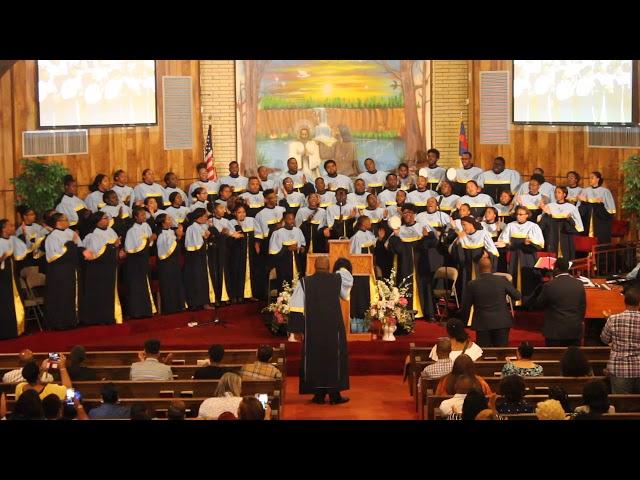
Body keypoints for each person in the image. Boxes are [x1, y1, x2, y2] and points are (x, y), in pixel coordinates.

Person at [288, 256, 353, 405]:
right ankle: (335, 396)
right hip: (333, 328)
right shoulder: (337, 279)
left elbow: (296, 306)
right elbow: (346, 288)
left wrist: (297, 330)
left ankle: (318, 395)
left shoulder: (305, 282)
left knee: (315, 359)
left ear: (314, 267)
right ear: (328, 267)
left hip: (313, 328)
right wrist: (340, 266)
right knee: (333, 359)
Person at [386, 204, 437, 320]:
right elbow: (395, 249)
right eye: (404, 213)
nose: (407, 215)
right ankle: (406, 312)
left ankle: (427, 313)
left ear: (414, 214)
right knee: (405, 286)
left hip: (421, 264)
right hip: (405, 264)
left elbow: (432, 243)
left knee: (424, 285)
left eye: (410, 212)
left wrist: (426, 237)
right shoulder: (399, 230)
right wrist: (396, 236)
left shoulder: (422, 226)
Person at [461, 257, 522, 346]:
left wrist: (463, 324)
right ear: (491, 268)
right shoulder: (502, 280)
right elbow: (517, 296)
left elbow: (466, 307)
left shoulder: (472, 285)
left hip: (482, 324)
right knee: (501, 353)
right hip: (502, 322)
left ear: (478, 268)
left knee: (485, 353)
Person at [44, 212, 89, 330]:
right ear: (58, 222)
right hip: (60, 271)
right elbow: (54, 256)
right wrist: (71, 244)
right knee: (63, 295)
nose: (68, 222)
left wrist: (83, 251)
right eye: (65, 220)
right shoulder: (52, 237)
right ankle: (62, 322)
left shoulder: (71, 232)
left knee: (74, 293)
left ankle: (75, 318)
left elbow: (79, 247)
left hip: (73, 268)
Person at [496, 206, 545, 305]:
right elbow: (504, 239)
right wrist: (504, 243)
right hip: (514, 255)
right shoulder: (510, 225)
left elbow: (540, 243)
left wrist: (530, 242)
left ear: (527, 215)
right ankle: (514, 302)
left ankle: (528, 303)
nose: (518, 216)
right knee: (513, 275)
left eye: (521, 214)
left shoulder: (533, 226)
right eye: (517, 214)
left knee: (528, 277)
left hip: (528, 256)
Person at [80, 211, 123, 326]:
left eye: (107, 218)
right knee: (102, 293)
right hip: (99, 270)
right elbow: (97, 254)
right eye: (104, 218)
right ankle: (102, 317)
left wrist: (119, 252)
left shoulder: (111, 231)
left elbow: (115, 248)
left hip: (110, 266)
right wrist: (113, 246)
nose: (107, 220)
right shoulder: (94, 235)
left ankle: (112, 315)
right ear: (97, 221)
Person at [537, 257, 586, 346]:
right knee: (572, 359)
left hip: (555, 332)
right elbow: (582, 307)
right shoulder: (579, 284)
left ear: (556, 269)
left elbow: (539, 303)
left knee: (555, 358)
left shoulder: (549, 285)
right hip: (574, 330)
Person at [600, 284, 640, 393]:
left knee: (621, 405)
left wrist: (607, 320)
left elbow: (604, 339)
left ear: (625, 302)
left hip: (619, 369)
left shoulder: (613, 319)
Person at [123, 206, 157, 318]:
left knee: (146, 283)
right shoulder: (132, 230)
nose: (144, 216)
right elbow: (132, 248)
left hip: (144, 259)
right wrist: (149, 240)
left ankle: (147, 310)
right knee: (137, 286)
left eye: (145, 214)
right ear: (136, 217)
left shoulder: (146, 225)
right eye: (141, 215)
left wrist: (149, 241)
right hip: (135, 262)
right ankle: (136, 312)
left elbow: (149, 243)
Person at [254, 189, 286, 300]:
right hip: (268, 245)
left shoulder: (282, 210)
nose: (274, 199)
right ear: (266, 199)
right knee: (269, 271)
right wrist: (274, 228)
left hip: (283, 244)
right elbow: (259, 234)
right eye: (271, 197)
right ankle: (268, 297)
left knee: (283, 270)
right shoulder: (260, 215)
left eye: (275, 197)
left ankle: (284, 294)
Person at [183, 208, 215, 310]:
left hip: (202, 257)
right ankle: (197, 302)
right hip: (195, 259)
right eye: (205, 216)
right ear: (200, 217)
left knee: (203, 279)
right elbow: (195, 245)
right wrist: (205, 237)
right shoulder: (192, 228)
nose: (207, 218)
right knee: (197, 280)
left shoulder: (200, 226)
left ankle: (204, 301)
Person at [539, 186, 584, 260]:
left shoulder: (571, 207)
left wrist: (569, 219)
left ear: (564, 194)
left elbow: (577, 225)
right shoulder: (550, 206)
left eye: (559, 192)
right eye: (555, 192)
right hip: (552, 235)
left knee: (566, 255)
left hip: (566, 236)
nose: (556, 194)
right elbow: (542, 224)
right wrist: (547, 214)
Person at [155, 214, 186, 314]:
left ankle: (179, 305)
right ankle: (170, 308)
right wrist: (178, 237)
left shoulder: (171, 232)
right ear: (163, 223)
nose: (171, 219)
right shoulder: (161, 235)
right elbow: (167, 250)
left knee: (176, 283)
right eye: (168, 219)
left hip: (174, 263)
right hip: (166, 264)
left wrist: (178, 237)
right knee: (168, 285)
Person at [0, 219, 26, 339]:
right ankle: (6, 331)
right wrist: (2, 258)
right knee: (5, 303)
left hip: (11, 275)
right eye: (10, 225)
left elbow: (22, 250)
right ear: (3, 229)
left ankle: (17, 328)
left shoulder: (13, 239)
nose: (13, 227)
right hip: (3, 278)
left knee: (16, 299)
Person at [228, 204, 259, 303]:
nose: (242, 214)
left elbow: (258, 234)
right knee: (238, 272)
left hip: (250, 252)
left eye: (244, 212)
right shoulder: (231, 223)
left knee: (251, 272)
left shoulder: (251, 220)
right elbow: (230, 238)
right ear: (235, 213)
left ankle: (249, 294)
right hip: (237, 252)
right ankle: (238, 295)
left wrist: (257, 244)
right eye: (239, 212)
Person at [269, 211, 306, 288]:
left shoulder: (298, 231)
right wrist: (287, 249)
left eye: (293, 219)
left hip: (297, 265)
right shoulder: (277, 233)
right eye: (289, 219)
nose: (292, 221)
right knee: (285, 288)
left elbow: (303, 244)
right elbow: (274, 254)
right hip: (283, 267)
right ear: (284, 220)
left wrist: (302, 249)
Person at [578, 171, 616, 243]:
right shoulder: (585, 191)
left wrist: (598, 204)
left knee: (600, 239)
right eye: (589, 178)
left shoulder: (605, 191)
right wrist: (584, 201)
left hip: (600, 221)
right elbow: (581, 207)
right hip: (587, 219)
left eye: (592, 178)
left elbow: (610, 210)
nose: (590, 179)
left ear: (598, 179)